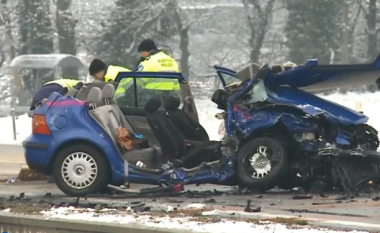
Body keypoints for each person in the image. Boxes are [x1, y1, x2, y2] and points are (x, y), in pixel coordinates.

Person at [136, 39, 181, 103]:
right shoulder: (170, 59)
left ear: (146, 51)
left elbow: (139, 80)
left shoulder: (148, 61)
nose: (141, 55)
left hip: (152, 97)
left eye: (141, 52)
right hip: (169, 97)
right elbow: (177, 82)